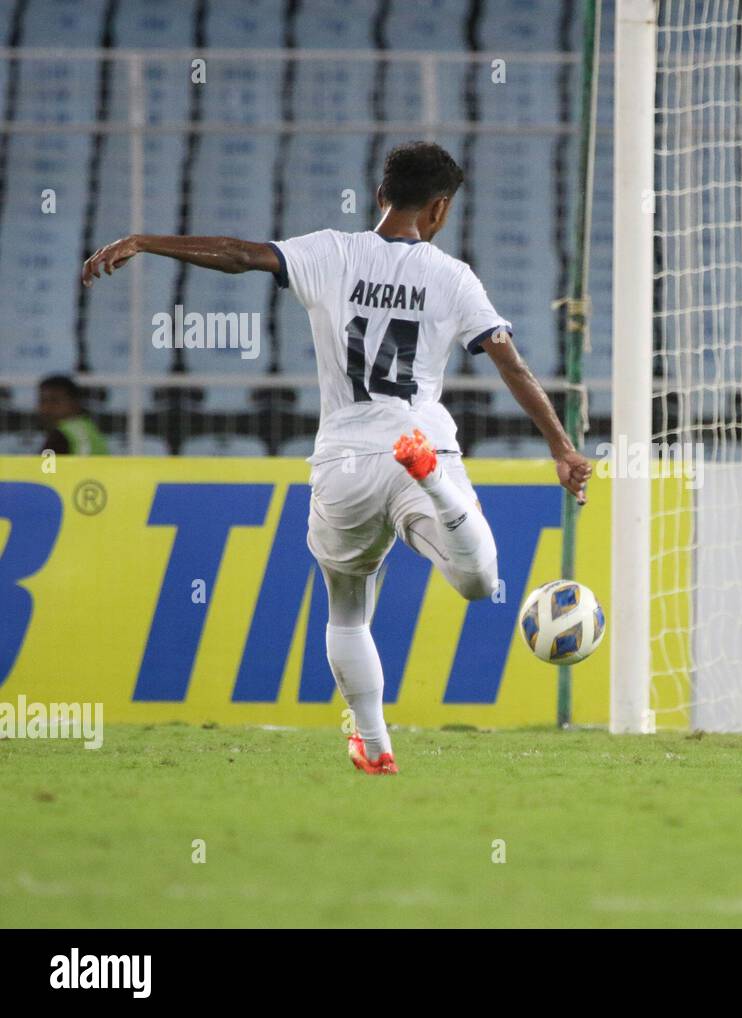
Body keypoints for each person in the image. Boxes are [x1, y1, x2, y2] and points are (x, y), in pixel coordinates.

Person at [82, 141, 592, 775]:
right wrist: (560, 446)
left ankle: (375, 744)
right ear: (439, 209)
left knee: (347, 610)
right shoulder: (453, 276)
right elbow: (509, 362)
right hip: (418, 440)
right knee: (479, 582)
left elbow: (240, 255)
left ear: (380, 196)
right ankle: (438, 489)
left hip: (345, 458)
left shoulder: (330, 251)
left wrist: (145, 240)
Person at [37, 375, 108, 455]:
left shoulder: (61, 436)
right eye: (42, 401)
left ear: (74, 403)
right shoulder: (90, 430)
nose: (46, 408)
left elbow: (45, 467)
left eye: (54, 401)